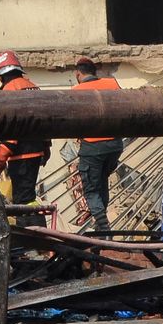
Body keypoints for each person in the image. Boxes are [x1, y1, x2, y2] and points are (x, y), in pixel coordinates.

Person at [0, 51, 49, 206]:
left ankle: (32, 227)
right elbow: (47, 120)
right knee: (29, 195)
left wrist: (0, 158)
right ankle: (35, 225)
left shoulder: (8, 92)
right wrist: (46, 147)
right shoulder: (34, 88)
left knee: (23, 200)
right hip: (36, 151)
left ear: (1, 74)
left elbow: (10, 129)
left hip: (20, 156)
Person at [71, 56, 124, 229]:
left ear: (78, 73)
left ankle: (102, 223)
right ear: (95, 72)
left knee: (92, 189)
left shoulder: (76, 90)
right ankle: (100, 225)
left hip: (92, 146)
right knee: (101, 182)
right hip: (115, 145)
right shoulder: (112, 84)